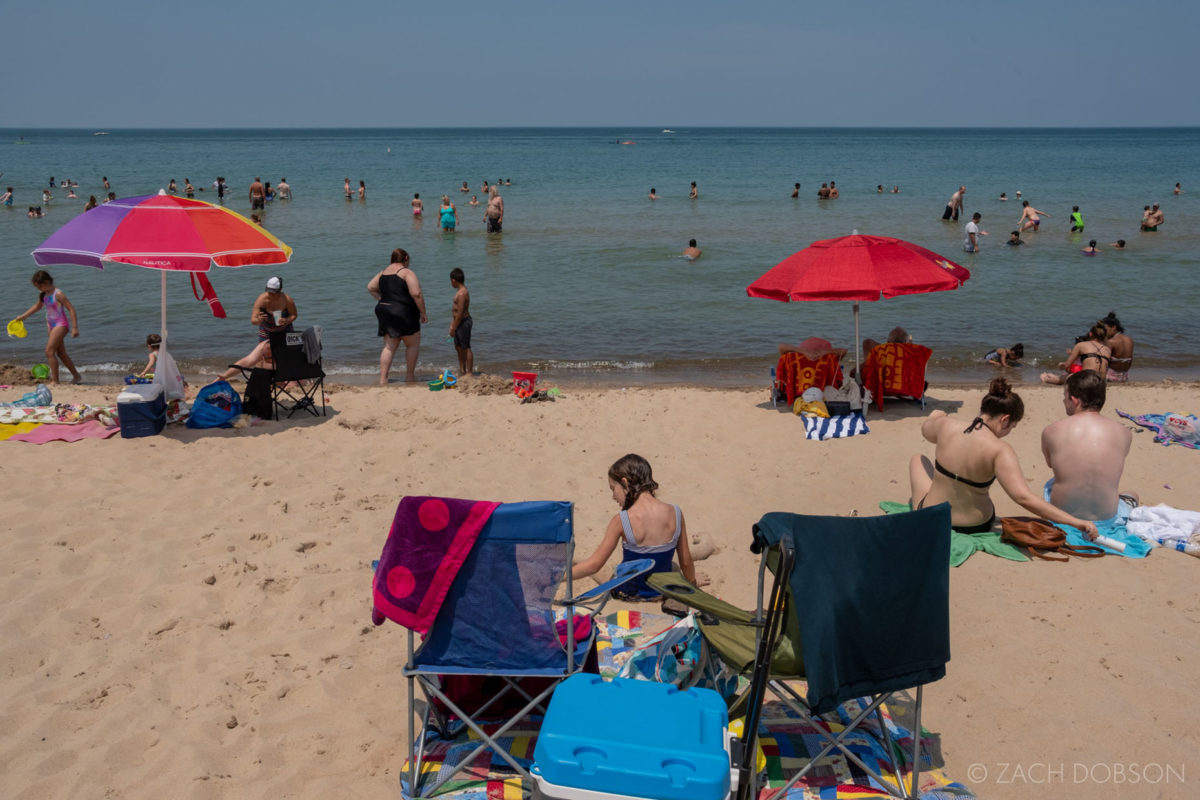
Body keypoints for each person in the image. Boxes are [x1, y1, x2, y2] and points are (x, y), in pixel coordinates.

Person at [908, 378, 1098, 537]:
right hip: (975, 525)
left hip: (933, 519)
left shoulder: (946, 425)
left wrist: (937, 414)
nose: (1008, 433)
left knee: (918, 459)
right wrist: (1077, 522)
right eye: (1012, 427)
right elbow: (1024, 498)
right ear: (1005, 419)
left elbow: (927, 431)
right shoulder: (1000, 450)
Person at [571, 453, 697, 597]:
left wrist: (555, 580)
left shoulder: (621, 520)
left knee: (606, 571)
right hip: (661, 592)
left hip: (630, 594)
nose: (613, 496)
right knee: (673, 566)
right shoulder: (675, 512)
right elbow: (686, 562)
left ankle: (567, 570)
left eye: (613, 488)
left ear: (625, 483)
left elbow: (594, 566)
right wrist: (692, 585)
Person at [1041, 369, 1137, 534]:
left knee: (1055, 481)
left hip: (1063, 519)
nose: (1063, 400)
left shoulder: (1051, 431)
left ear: (1074, 400)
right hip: (1106, 520)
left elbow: (1052, 465)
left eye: (1065, 396)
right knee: (1132, 494)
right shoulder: (1124, 433)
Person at [219, 277, 298, 380]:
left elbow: (294, 315)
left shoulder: (287, 299)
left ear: (280, 290)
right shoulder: (262, 299)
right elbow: (253, 321)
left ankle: (280, 378)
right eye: (270, 292)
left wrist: (286, 320)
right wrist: (260, 319)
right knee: (260, 357)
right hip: (266, 330)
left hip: (284, 330)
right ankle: (226, 376)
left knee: (284, 356)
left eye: (274, 293)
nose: (272, 295)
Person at [367, 248, 427, 384]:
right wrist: (423, 313)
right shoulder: (406, 272)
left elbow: (370, 287)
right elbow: (416, 293)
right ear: (406, 258)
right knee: (412, 345)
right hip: (404, 312)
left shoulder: (383, 272)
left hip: (384, 310)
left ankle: (383, 379)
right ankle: (410, 377)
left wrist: (381, 298)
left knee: (389, 347)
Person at [14, 270, 82, 384]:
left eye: (39, 286)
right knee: (61, 353)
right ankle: (76, 376)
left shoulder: (58, 294)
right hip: (51, 325)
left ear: (47, 282)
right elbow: (37, 306)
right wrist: (23, 316)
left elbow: (71, 309)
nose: (38, 289)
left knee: (49, 351)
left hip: (61, 325)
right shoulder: (43, 295)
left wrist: (75, 327)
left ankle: (55, 381)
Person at [1040, 321, 1111, 384]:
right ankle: (1048, 376)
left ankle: (1046, 378)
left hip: (1087, 381)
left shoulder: (1081, 345)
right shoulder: (1108, 350)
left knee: (1064, 378)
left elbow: (1066, 366)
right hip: (1101, 383)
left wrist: (1060, 365)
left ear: (1090, 334)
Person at [449, 268, 473, 376]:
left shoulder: (462, 293)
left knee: (466, 347)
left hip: (463, 322)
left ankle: (469, 372)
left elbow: (460, 312)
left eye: (451, 280)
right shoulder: (460, 292)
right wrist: (452, 325)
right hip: (458, 322)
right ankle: (462, 370)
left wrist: (453, 328)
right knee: (458, 347)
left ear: (454, 280)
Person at [1101, 311, 1134, 382]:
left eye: (1105, 329)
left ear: (1113, 327)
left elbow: (1104, 362)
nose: (1103, 332)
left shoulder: (1111, 342)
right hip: (1125, 376)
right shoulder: (1129, 339)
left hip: (1111, 376)